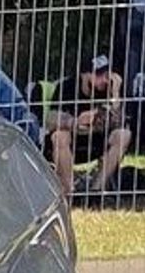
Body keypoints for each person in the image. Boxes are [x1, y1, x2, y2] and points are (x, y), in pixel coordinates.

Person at [45, 53, 129, 202]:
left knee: (123, 135)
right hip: (72, 142)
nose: (104, 79)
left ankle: (96, 190)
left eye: (106, 74)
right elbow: (50, 118)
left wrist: (115, 95)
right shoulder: (67, 87)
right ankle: (69, 192)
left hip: (97, 141)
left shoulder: (110, 89)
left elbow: (120, 122)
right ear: (85, 74)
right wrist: (75, 122)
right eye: (98, 75)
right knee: (59, 136)